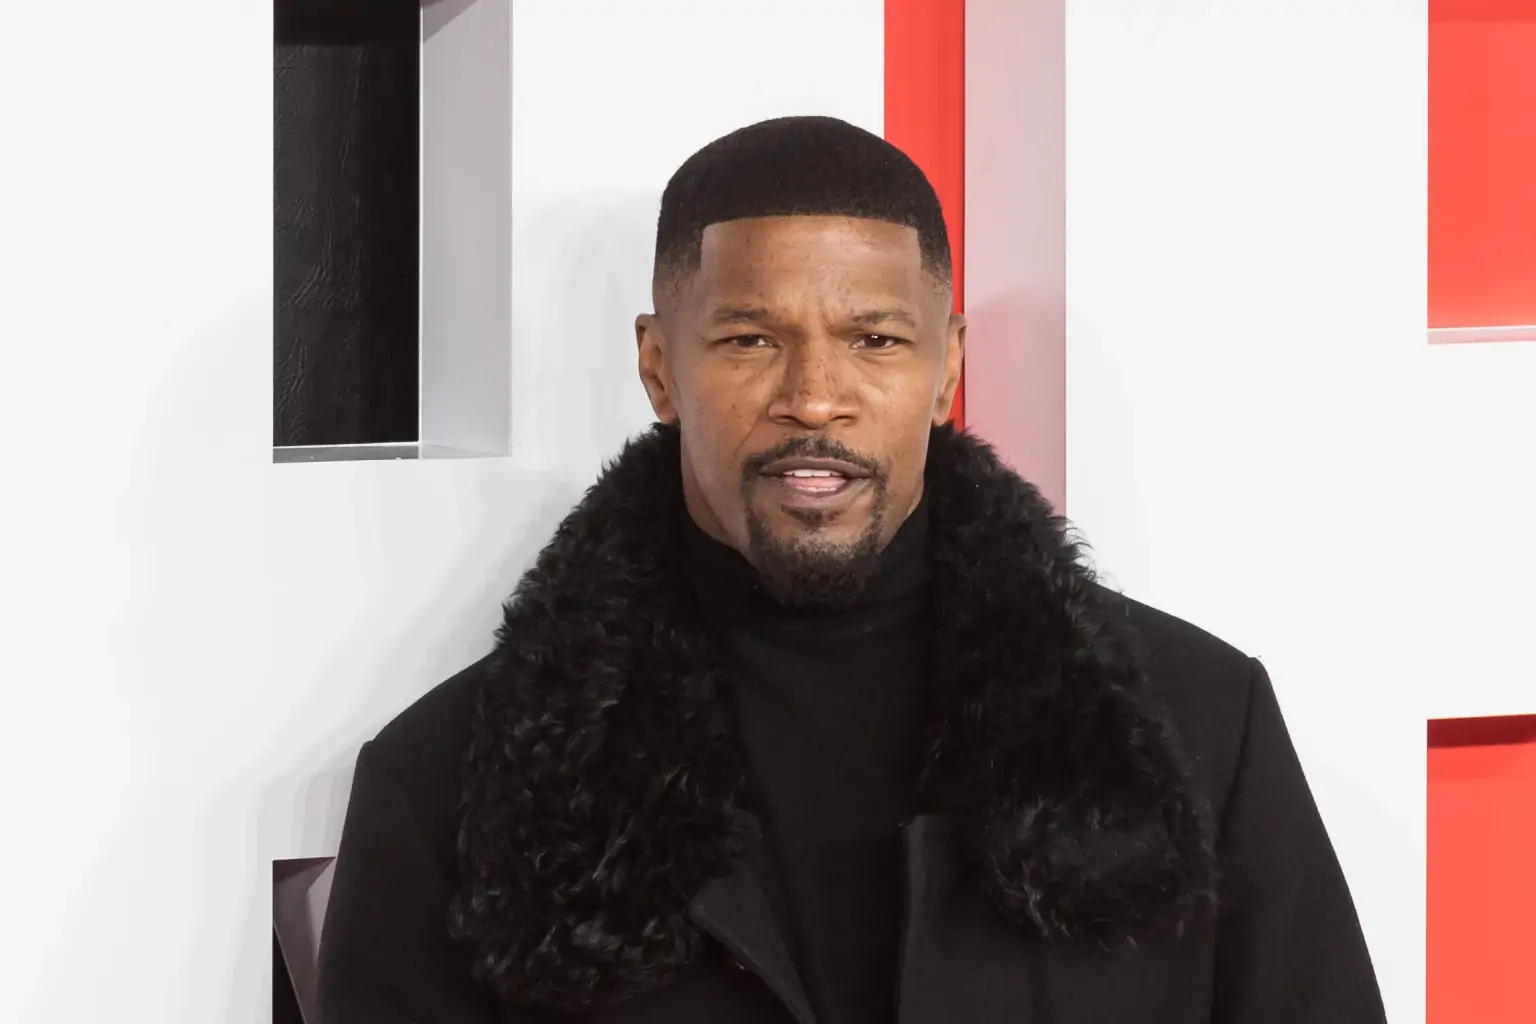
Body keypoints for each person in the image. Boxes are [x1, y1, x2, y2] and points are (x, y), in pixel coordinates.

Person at [316, 116, 1387, 1024]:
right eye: (749, 340)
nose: (815, 398)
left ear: (946, 368)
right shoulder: (446, 785)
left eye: (875, 341)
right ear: (658, 365)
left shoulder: (1197, 724)